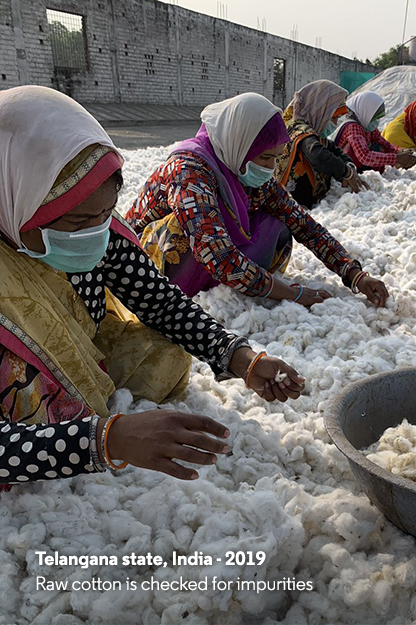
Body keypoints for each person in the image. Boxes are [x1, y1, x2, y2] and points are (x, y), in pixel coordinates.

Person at [0, 86, 305, 487]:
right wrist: (105, 441)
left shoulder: (99, 232)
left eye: (105, 215)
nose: (96, 233)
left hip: (88, 351)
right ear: (14, 201)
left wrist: (240, 357)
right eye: (76, 223)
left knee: (166, 355)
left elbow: (159, 301)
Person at [127, 93, 389, 308]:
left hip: (213, 255)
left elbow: (304, 224)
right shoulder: (190, 171)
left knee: (280, 224)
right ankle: (194, 287)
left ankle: (239, 282)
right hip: (146, 263)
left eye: (275, 157)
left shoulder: (245, 169)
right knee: (184, 231)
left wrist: (354, 274)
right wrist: (290, 293)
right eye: (265, 158)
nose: (271, 167)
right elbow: (217, 255)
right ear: (239, 144)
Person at [274, 80, 369, 209]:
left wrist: (349, 166)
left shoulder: (314, 133)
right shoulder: (299, 130)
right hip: (291, 207)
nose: (335, 124)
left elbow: (335, 150)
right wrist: (346, 172)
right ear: (320, 111)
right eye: (333, 118)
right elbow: (319, 156)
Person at [333, 91, 416, 173]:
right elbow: (364, 156)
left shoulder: (366, 126)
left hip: (358, 165)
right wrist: (397, 158)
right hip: (343, 168)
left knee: (379, 147)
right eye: (375, 118)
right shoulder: (352, 127)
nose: (377, 121)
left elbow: (384, 144)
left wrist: (400, 151)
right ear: (366, 113)